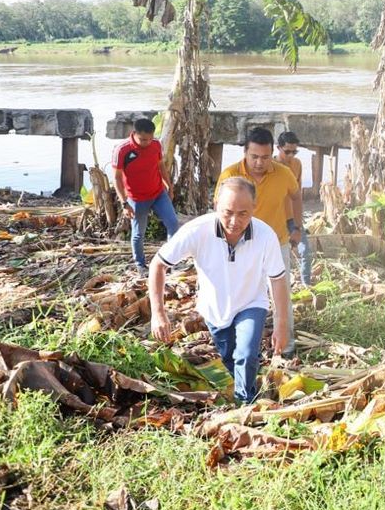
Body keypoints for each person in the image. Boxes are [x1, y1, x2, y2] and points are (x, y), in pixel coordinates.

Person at [148, 177, 290, 403]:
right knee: (230, 358)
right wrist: (158, 313)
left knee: (246, 353)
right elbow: (159, 264)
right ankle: (247, 387)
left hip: (251, 303)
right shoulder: (197, 230)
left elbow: (277, 279)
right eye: (228, 212)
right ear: (216, 205)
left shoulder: (266, 236)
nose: (234, 221)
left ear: (254, 207)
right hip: (214, 309)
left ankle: (245, 405)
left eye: (243, 213)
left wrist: (281, 324)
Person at [216, 127, 302, 356]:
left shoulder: (283, 173)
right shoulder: (230, 175)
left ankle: (287, 346)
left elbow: (296, 196)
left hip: (277, 243)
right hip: (240, 243)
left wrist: (297, 226)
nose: (259, 162)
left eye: (264, 157)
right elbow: (220, 211)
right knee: (238, 292)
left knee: (281, 294)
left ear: (272, 153)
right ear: (245, 152)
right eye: (254, 157)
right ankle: (235, 345)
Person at [112, 117, 179, 277]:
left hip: (158, 193)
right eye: (143, 139)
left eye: (149, 139)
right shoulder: (122, 150)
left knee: (173, 224)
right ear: (134, 134)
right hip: (136, 199)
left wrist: (169, 185)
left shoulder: (155, 144)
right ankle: (140, 265)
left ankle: (170, 261)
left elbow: (161, 165)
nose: (147, 142)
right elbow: (116, 178)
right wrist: (124, 203)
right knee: (138, 233)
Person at [275, 131, 313, 286]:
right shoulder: (271, 166)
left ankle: (306, 284)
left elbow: (298, 194)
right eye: (287, 152)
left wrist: (298, 221)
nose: (290, 155)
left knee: (305, 251)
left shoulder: (297, 164)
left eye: (294, 152)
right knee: (278, 256)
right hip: (275, 217)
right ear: (278, 148)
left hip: (292, 216)